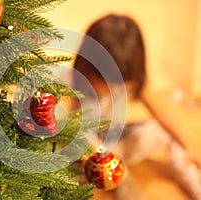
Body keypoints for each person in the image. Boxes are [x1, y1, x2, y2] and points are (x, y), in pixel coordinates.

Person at [71, 14, 201, 199]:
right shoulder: (73, 84)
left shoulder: (131, 77)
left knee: (165, 132)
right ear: (89, 66)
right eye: (107, 82)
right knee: (113, 170)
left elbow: (162, 114)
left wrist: (189, 147)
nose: (115, 89)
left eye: (123, 83)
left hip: (120, 139)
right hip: (90, 153)